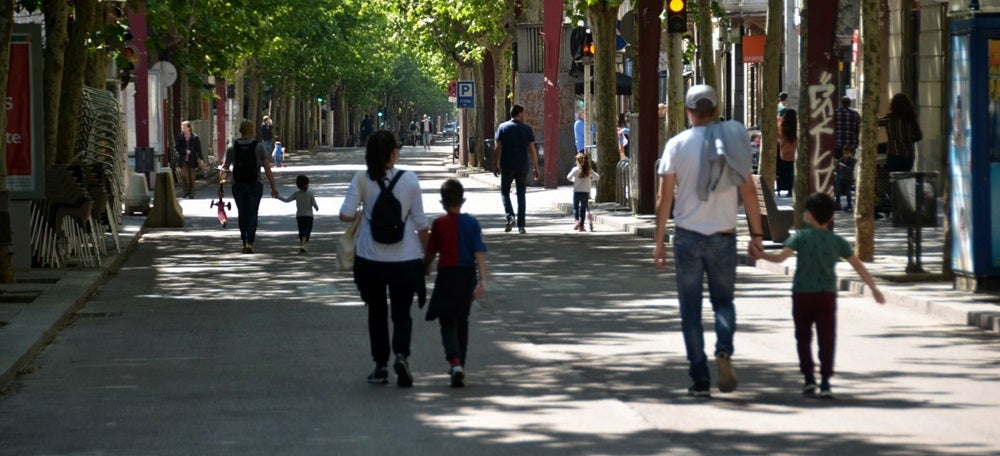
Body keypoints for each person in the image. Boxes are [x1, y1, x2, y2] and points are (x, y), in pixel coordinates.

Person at [652, 84, 764, 398]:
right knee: (723, 303)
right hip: (723, 238)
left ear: (688, 112)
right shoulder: (730, 143)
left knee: (690, 310)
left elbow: (664, 198)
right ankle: (724, 350)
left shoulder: (676, 145)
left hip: (687, 237)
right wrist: (757, 236)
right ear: (715, 110)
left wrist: (659, 241)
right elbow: (749, 192)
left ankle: (700, 378)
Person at [751, 192, 885, 398]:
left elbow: (779, 258)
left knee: (803, 337)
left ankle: (808, 380)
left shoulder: (800, 237)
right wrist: (874, 288)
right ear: (831, 217)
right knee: (826, 337)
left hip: (802, 295)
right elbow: (858, 266)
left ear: (809, 215)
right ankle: (825, 381)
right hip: (826, 296)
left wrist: (760, 255)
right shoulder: (838, 241)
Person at [339, 130, 429, 387]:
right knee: (402, 312)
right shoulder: (409, 179)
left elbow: (344, 214)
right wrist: (429, 256)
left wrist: (362, 211)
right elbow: (421, 223)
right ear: (392, 153)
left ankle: (380, 366)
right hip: (406, 258)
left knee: (376, 312)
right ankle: (401, 355)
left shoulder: (361, 179)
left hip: (370, 259)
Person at [423, 179, 488, 388]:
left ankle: (455, 360)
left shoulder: (439, 224)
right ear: (463, 200)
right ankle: (461, 363)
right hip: (467, 276)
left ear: (442, 202)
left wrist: (425, 267)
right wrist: (482, 279)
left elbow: (430, 252)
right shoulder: (472, 224)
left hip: (447, 276)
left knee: (447, 321)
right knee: (462, 319)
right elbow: (478, 252)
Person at [221, 120, 280, 254]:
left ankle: (244, 239)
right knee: (253, 213)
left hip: (238, 185)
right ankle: (250, 242)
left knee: (242, 213)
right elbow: (267, 168)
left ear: (241, 130)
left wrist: (221, 187)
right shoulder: (258, 146)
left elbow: (225, 168)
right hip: (255, 184)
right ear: (251, 130)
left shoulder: (232, 146)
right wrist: (273, 187)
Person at [493, 104, 540, 234]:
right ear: (519, 113)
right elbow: (532, 149)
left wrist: (495, 163)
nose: (524, 116)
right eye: (523, 113)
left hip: (507, 166)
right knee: (521, 195)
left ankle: (510, 217)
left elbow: (498, 147)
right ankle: (521, 226)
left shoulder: (503, 127)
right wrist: (536, 167)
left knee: (505, 192)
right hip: (522, 166)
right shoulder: (527, 129)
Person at [879, 93, 922, 172]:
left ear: (893, 105)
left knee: (894, 181)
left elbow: (875, 122)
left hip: (894, 155)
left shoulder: (889, 120)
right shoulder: (911, 120)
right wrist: (908, 139)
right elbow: (919, 136)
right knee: (905, 180)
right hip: (909, 156)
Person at [277, 174, 319, 254]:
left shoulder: (296, 194)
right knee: (307, 231)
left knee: (301, 230)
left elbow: (287, 200)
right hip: (309, 216)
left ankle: (302, 246)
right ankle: (303, 245)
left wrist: (278, 197)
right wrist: (316, 208)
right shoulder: (310, 193)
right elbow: (314, 203)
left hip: (299, 216)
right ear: (306, 184)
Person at [566, 153, 600, 232]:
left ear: (577, 161)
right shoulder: (589, 170)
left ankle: (576, 221)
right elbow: (597, 177)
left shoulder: (575, 169)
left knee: (576, 207)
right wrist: (591, 178)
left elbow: (568, 177)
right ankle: (581, 226)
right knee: (583, 208)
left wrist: (573, 180)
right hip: (585, 192)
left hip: (577, 191)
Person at [175, 120, 204, 199]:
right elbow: (177, 147)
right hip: (183, 159)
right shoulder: (180, 137)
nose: (182, 129)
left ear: (189, 128)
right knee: (184, 176)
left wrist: (201, 159)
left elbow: (198, 149)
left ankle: (191, 193)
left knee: (191, 177)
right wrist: (185, 151)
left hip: (192, 159)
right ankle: (185, 191)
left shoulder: (195, 137)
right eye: (182, 127)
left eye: (184, 127)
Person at [776, 109, 798, 197]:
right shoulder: (797, 126)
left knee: (786, 172)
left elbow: (779, 137)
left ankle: (789, 189)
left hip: (784, 153)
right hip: (795, 152)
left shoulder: (782, 126)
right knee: (793, 172)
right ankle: (793, 189)